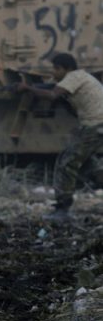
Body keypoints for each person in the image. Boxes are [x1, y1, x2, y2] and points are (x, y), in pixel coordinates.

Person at [17, 53, 103, 221]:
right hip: (96, 124)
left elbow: (52, 95)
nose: (53, 73)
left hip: (95, 124)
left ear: (67, 69)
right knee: (88, 163)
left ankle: (62, 209)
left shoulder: (74, 77)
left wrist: (27, 88)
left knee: (66, 162)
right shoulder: (81, 77)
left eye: (56, 69)